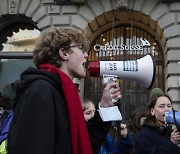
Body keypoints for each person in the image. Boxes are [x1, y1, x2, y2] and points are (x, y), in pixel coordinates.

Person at [7, 27, 121, 154]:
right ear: (64, 53)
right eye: (81, 48)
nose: (86, 55)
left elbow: (79, 145)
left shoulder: (62, 92)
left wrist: (104, 107)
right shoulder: (41, 91)